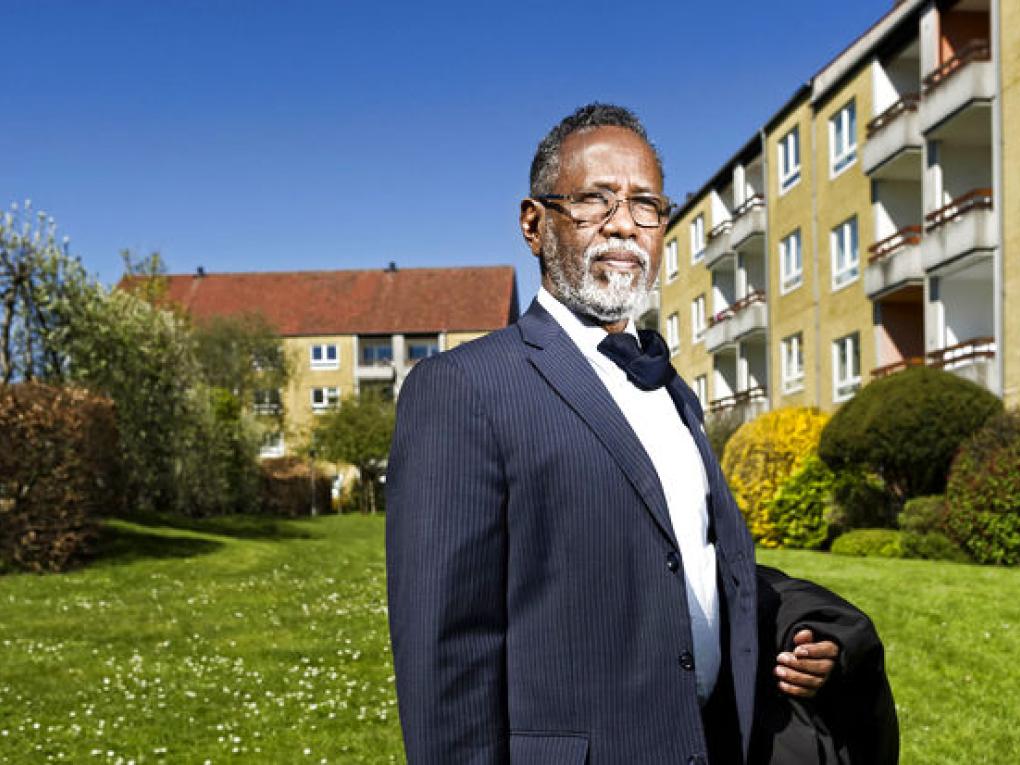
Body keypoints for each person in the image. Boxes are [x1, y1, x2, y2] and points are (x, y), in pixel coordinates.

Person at [386, 103, 840, 764]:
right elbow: (446, 654)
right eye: (595, 199)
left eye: (645, 204)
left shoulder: (674, 391)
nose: (624, 223)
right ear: (534, 223)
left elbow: (691, 563)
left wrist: (791, 631)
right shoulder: (463, 388)